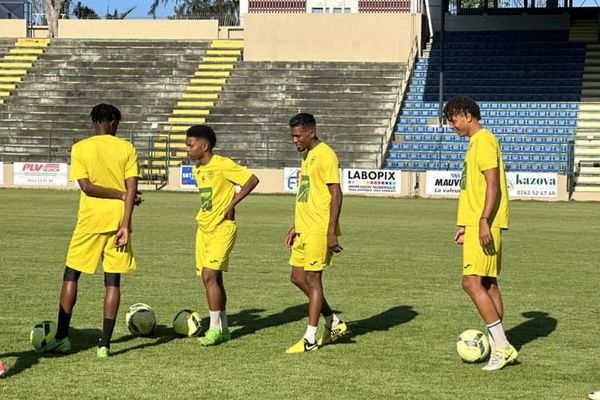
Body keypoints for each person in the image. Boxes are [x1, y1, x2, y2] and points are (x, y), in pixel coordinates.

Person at [43, 104, 142, 358]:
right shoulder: (126, 148)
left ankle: (62, 338)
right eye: (117, 123)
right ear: (111, 121)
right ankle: (105, 345)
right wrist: (125, 224)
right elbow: (130, 189)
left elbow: (86, 187)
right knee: (112, 281)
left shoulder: (80, 148)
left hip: (89, 221)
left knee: (71, 275)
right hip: (118, 220)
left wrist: (122, 195)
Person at [445, 96, 517, 371]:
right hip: (476, 223)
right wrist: (465, 224)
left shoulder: (484, 141)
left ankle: (501, 346)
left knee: (470, 283)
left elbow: (492, 184)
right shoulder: (476, 143)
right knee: (488, 283)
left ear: (467, 115)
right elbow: (473, 189)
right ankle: (499, 342)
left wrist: (484, 220)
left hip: (484, 223)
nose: (452, 126)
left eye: (453, 119)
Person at [185, 125, 259, 346]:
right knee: (213, 278)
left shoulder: (223, 165)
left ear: (204, 145)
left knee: (209, 276)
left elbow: (252, 180)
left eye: (190, 145)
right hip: (204, 228)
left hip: (222, 228)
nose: (187, 149)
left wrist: (233, 203)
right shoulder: (198, 170)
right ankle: (224, 328)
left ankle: (214, 329)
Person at [284, 113, 347, 354]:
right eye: (292, 136)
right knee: (298, 278)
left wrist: (331, 232)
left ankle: (310, 338)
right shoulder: (308, 155)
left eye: (298, 135)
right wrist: (296, 225)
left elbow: (336, 194)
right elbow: (308, 194)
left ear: (311, 132)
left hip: (319, 230)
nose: (294, 140)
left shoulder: (325, 154)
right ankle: (333, 322)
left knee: (313, 279)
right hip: (305, 228)